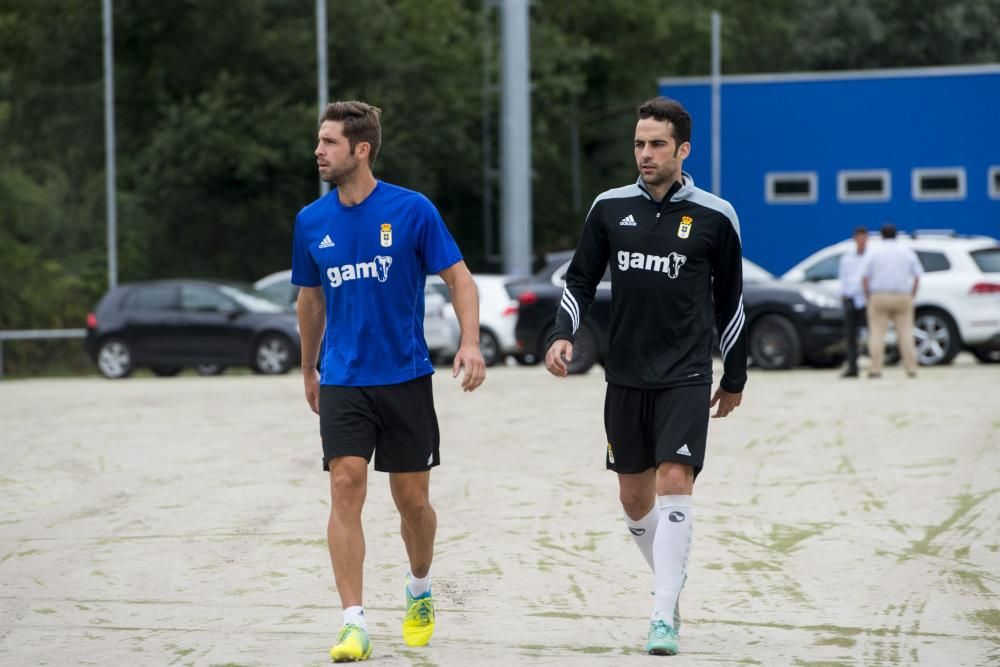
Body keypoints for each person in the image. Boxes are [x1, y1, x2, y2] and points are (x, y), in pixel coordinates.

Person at [544, 97, 747, 656]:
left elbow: (730, 303)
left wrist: (735, 376)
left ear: (683, 149)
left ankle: (662, 614)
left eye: (657, 144)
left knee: (675, 481)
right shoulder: (609, 208)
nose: (645, 154)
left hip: (684, 374)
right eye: (639, 143)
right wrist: (561, 332)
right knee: (634, 498)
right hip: (625, 376)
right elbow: (579, 280)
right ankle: (670, 583)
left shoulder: (716, 214)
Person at [292, 100, 486, 662]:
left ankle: (420, 587)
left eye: (329, 142)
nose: (319, 151)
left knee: (412, 502)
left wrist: (470, 342)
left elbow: (461, 280)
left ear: (361, 149)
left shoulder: (411, 210)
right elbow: (310, 301)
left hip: (405, 376)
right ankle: (353, 622)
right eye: (319, 141)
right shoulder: (311, 221)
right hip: (344, 380)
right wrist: (309, 367)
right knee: (345, 485)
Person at [862, 222, 922, 378]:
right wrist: (912, 294)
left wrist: (868, 295)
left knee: (876, 334)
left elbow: (865, 277)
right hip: (902, 295)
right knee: (906, 333)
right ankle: (911, 368)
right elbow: (916, 276)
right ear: (896, 234)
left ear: (881, 235)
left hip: (879, 295)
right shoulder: (906, 251)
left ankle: (875, 369)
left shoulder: (874, 252)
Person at [837, 227, 868, 377]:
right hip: (851, 298)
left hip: (867, 299)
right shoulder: (847, 257)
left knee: (873, 334)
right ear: (855, 238)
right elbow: (843, 278)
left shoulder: (871, 256)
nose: (862, 241)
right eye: (859, 238)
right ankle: (852, 367)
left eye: (864, 238)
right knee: (850, 335)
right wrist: (843, 296)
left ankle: (875, 367)